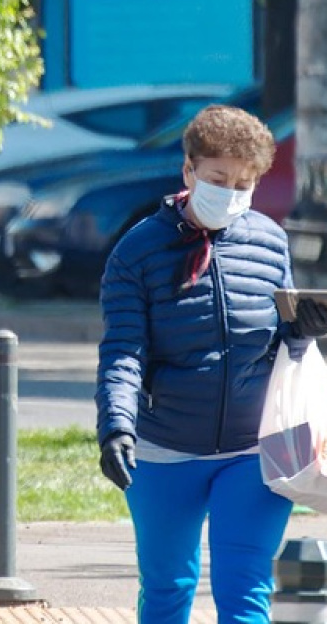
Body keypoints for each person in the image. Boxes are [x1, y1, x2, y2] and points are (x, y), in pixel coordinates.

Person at [96, 104, 327, 624]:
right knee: (167, 587)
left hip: (256, 450)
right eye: (219, 178)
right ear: (188, 171)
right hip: (164, 449)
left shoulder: (269, 240)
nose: (232, 192)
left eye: (245, 182)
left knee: (245, 587)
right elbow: (123, 352)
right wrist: (116, 426)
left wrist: (304, 326)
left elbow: (279, 336)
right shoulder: (137, 252)